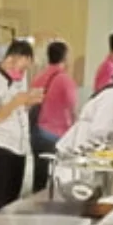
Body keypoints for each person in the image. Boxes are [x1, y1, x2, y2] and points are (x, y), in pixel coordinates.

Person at [0, 39, 43, 212]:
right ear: (11, 59)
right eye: (22, 68)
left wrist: (28, 102)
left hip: (19, 148)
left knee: (12, 202)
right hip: (1, 148)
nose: (23, 73)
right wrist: (15, 103)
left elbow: (18, 109)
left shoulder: (19, 79)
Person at [29, 40, 79, 192]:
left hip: (37, 131)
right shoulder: (65, 80)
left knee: (39, 175)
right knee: (56, 177)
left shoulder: (38, 77)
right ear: (65, 58)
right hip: (56, 134)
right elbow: (73, 108)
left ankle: (35, 204)